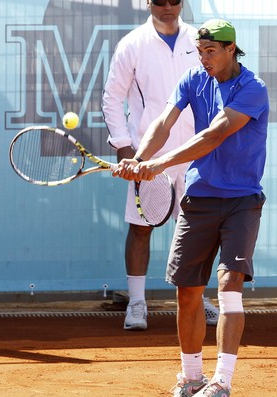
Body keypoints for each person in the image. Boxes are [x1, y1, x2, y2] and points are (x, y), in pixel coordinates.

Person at [115, 18, 269, 397]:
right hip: (199, 199)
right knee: (187, 291)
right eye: (199, 51)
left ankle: (222, 381)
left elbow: (214, 133)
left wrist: (159, 164)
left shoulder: (253, 88)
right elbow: (162, 124)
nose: (204, 58)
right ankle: (192, 376)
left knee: (229, 285)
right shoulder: (192, 79)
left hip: (241, 200)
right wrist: (139, 159)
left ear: (231, 49)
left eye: (211, 51)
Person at [102, 0, 219, 330]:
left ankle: (199, 299)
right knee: (140, 228)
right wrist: (125, 147)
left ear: (181, 3)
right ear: (149, 3)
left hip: (195, 153)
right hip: (149, 154)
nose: (167, 7)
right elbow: (112, 97)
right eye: (159, 1)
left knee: (198, 229)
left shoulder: (198, 41)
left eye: (174, 1)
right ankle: (137, 304)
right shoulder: (132, 44)